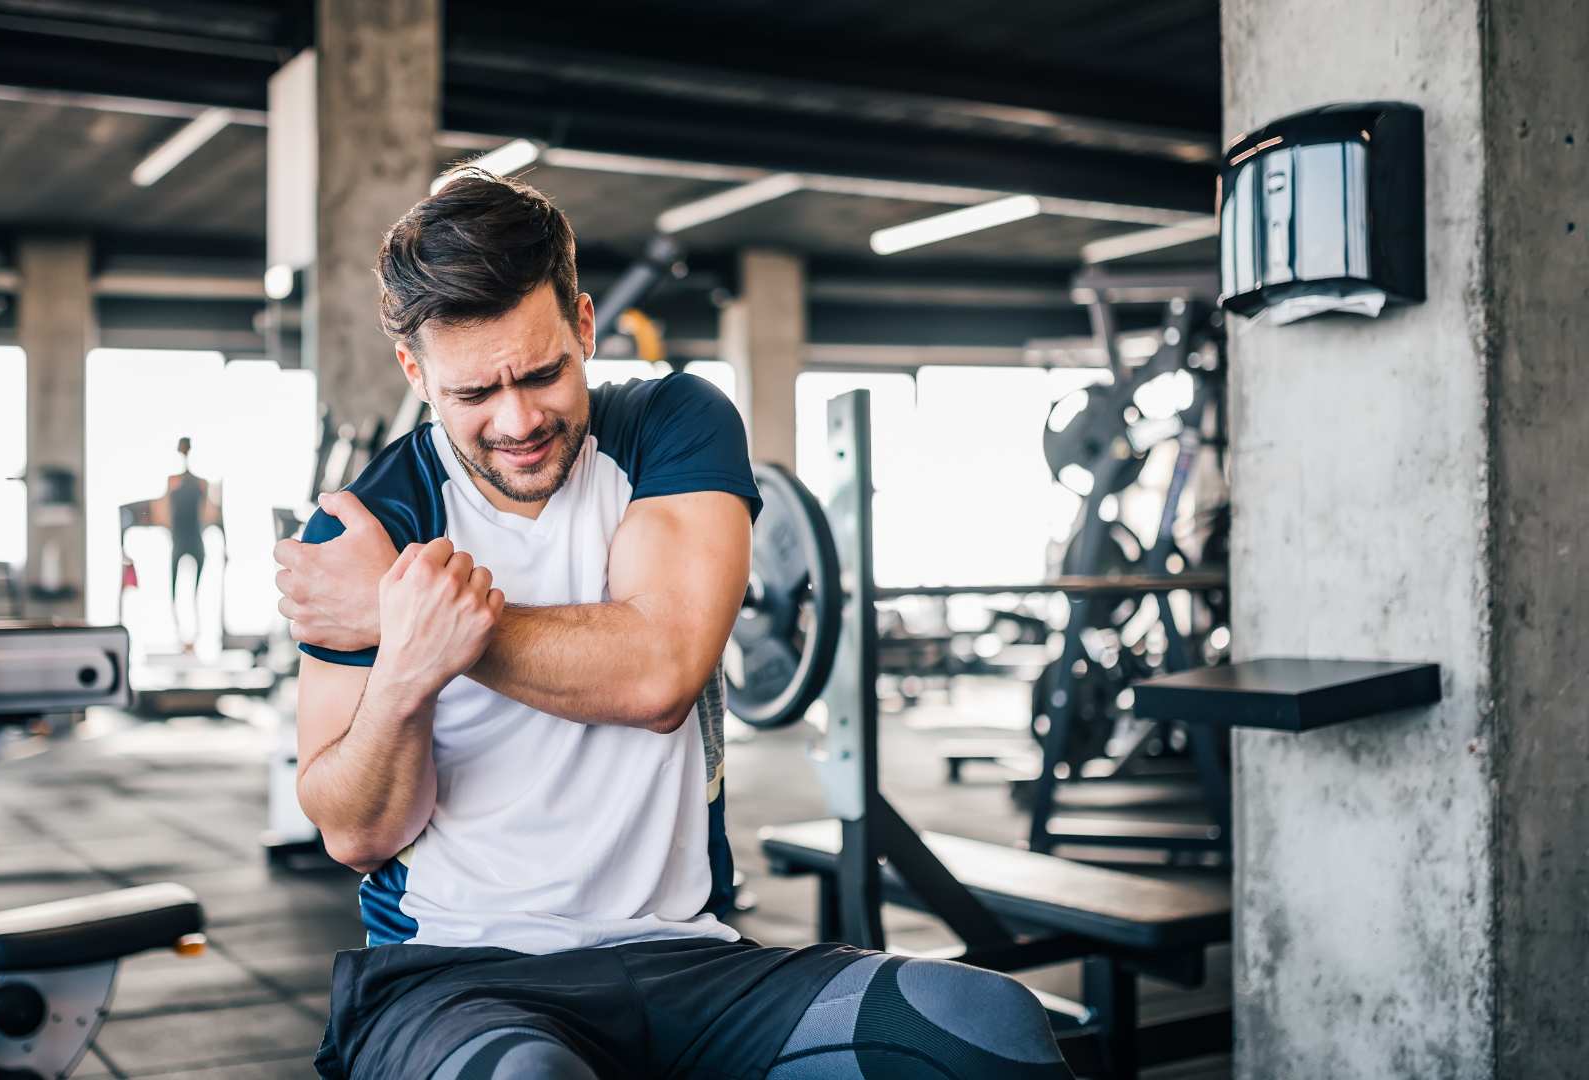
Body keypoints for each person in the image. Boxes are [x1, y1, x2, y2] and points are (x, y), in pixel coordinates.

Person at [272, 172, 1070, 1080]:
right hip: (453, 974)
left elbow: (658, 675)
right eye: (474, 395)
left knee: (982, 1025)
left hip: (689, 956)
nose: (519, 419)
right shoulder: (371, 527)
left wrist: (419, 618)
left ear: (583, 324)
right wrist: (407, 666)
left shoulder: (672, 427)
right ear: (416, 374)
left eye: (542, 373)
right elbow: (355, 831)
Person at [164, 436, 217, 653]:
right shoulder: (175, 482)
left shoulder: (198, 483)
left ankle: (195, 638)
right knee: (176, 592)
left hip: (192, 540)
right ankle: (181, 637)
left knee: (196, 593)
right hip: (183, 540)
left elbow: (207, 515)